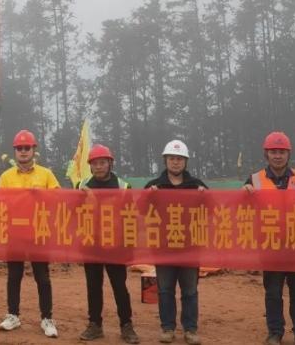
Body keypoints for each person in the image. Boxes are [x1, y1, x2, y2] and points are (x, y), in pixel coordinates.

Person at [243, 132, 295, 345]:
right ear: (266, 154)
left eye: (281, 152)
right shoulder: (254, 179)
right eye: (273, 152)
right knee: (273, 293)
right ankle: (275, 332)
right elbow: (243, 208)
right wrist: (243, 193)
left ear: (288, 154)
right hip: (271, 245)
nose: (277, 156)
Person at [0, 129, 60, 338]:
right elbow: (0, 203)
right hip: (15, 233)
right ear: (15, 152)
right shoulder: (6, 177)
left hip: (39, 233)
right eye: (19, 148)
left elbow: (59, 199)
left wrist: (42, 195)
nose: (23, 152)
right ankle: (13, 315)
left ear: (34, 150)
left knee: (42, 277)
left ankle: (47, 318)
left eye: (27, 148)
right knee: (13, 276)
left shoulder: (46, 174)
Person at [144, 140, 206, 345]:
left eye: (179, 159)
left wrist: (205, 198)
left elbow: (215, 210)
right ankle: (167, 328)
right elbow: (137, 211)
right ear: (165, 160)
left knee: (190, 291)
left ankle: (190, 329)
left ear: (185, 162)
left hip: (190, 247)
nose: (176, 162)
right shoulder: (155, 185)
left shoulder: (197, 185)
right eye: (172, 158)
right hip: (163, 248)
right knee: (165, 290)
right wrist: (148, 197)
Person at [77, 144, 139, 343]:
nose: (98, 167)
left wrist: (128, 247)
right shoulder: (81, 185)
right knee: (93, 286)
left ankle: (127, 326)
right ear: (90, 166)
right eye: (94, 163)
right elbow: (73, 213)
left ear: (110, 163)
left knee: (119, 286)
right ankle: (95, 325)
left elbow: (131, 217)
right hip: (92, 244)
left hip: (115, 245)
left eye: (102, 162)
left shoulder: (123, 186)